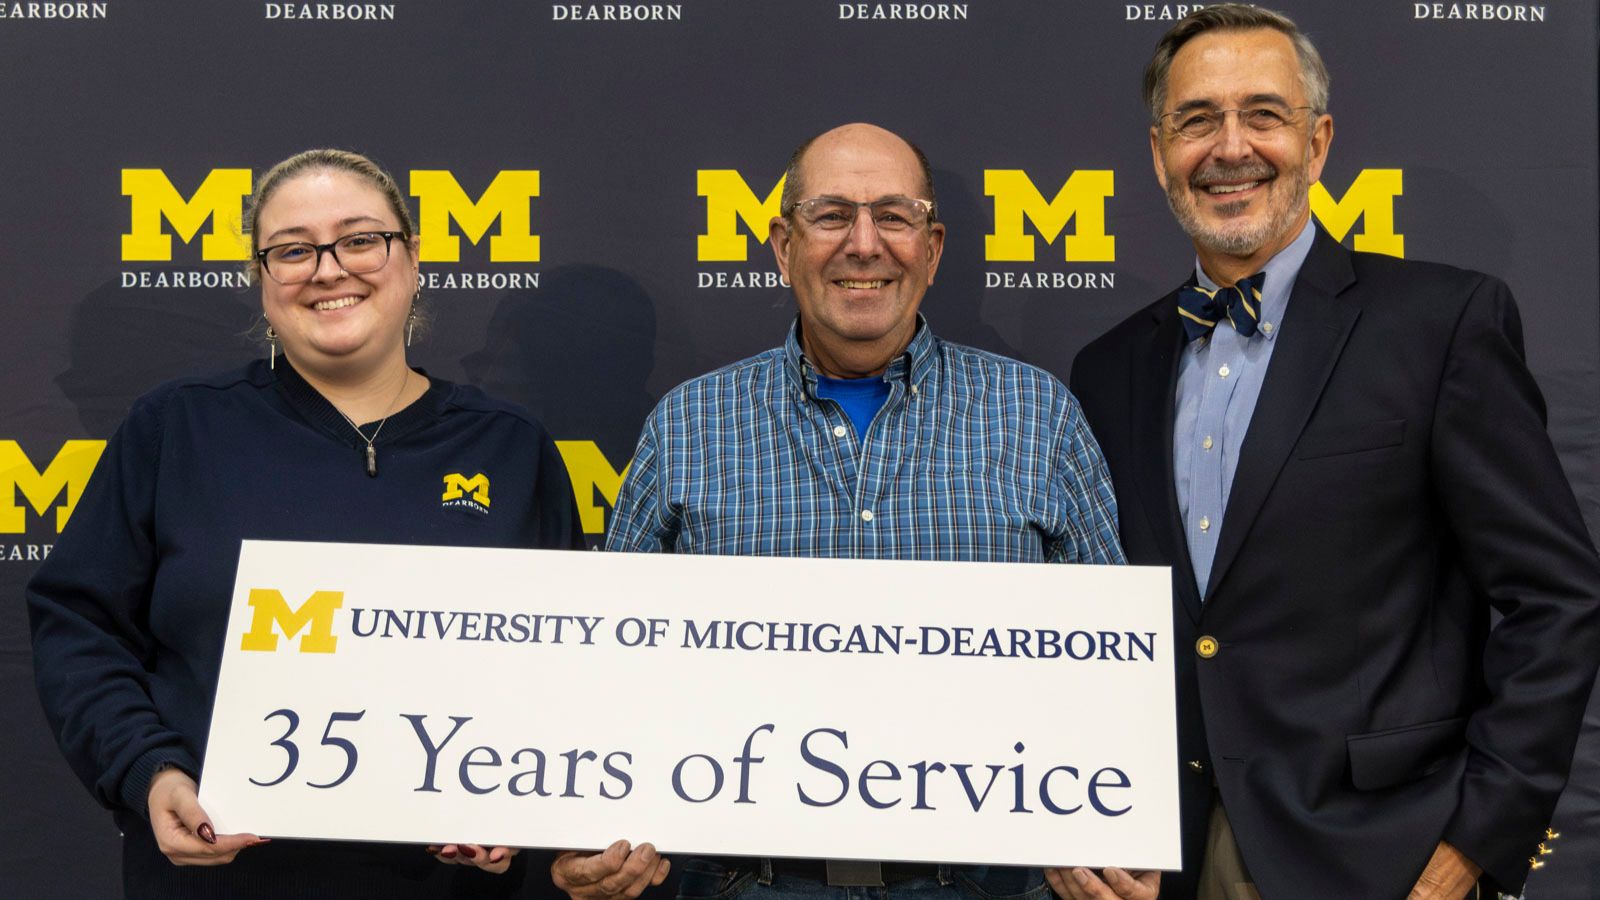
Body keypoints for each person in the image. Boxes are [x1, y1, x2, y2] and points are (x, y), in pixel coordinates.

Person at [1068, 6, 1600, 898]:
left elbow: (1555, 599)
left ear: (1317, 144)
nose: (1229, 146)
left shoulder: (1441, 325)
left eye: (1263, 115)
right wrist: (1072, 815)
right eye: (1197, 120)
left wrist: (1472, 846)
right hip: (1165, 855)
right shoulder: (1109, 367)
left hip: (1381, 858)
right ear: (1159, 153)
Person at [552, 124, 1153, 900]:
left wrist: (1127, 837)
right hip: (747, 885)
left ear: (933, 250)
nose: (864, 244)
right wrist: (574, 828)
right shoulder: (688, 424)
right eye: (831, 215)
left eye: (894, 217)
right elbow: (605, 665)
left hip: (983, 885)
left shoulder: (1039, 416)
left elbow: (1115, 674)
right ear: (781, 246)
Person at [28, 148, 584, 899]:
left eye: (359, 240)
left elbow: (562, 662)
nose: (328, 270)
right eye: (292, 250)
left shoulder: (510, 447)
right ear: (261, 280)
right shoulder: (177, 427)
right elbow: (79, 625)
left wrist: (514, 799)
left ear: (412, 258)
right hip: (220, 877)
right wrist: (148, 770)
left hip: (445, 886)